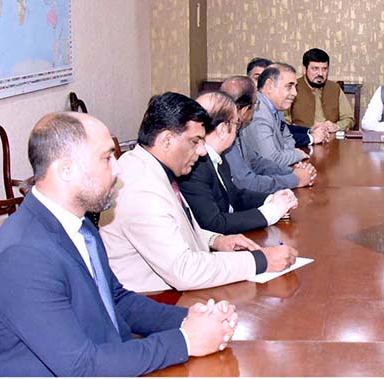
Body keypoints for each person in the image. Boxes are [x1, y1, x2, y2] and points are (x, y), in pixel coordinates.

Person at [0, 112, 237, 376]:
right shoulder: (22, 256)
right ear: (65, 169)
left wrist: (189, 319)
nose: (118, 168)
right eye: (106, 158)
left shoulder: (80, 225)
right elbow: (81, 367)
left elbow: (116, 300)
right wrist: (185, 341)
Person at [99, 92, 298, 292]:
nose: (203, 151)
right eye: (195, 141)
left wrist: (214, 240)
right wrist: (260, 261)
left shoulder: (146, 165)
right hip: (155, 298)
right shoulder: (142, 188)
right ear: (167, 140)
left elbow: (171, 228)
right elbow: (185, 271)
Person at [179, 91, 299, 235]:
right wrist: (271, 211)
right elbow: (213, 223)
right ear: (223, 129)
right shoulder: (194, 166)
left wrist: (272, 199)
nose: (238, 129)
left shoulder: (218, 156)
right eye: (237, 123)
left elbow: (234, 196)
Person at [220, 76, 317, 192]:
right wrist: (294, 179)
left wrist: (291, 171)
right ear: (245, 110)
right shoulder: (225, 136)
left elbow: (257, 162)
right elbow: (247, 182)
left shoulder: (238, 129)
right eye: (255, 105)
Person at [238, 63, 326, 167]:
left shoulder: (276, 108)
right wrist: (297, 154)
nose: (295, 93)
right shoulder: (257, 112)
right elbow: (270, 160)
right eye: (289, 86)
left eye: (295, 87)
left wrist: (288, 156)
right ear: (269, 86)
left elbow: (288, 139)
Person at [288, 48, 354, 132]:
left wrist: (336, 126)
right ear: (304, 69)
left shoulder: (335, 88)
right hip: (303, 140)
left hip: (332, 140)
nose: (320, 74)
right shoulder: (293, 88)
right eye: (315, 68)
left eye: (324, 69)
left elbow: (349, 119)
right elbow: (284, 123)